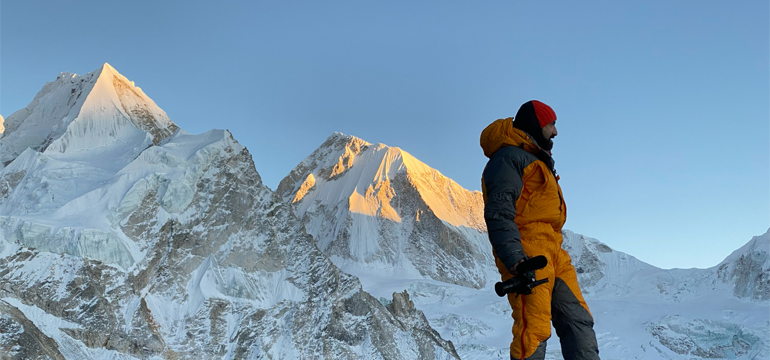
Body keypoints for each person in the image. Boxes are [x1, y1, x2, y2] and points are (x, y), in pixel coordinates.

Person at [480, 100, 600, 360]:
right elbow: (499, 213)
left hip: (554, 252)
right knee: (533, 329)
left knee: (579, 321)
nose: (555, 132)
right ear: (535, 125)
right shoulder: (508, 158)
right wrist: (516, 261)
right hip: (528, 255)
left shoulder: (536, 159)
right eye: (551, 124)